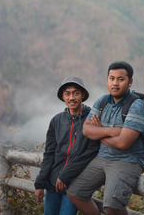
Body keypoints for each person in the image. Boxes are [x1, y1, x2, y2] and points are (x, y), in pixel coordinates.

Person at [67, 61, 144, 215]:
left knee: (112, 207)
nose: (115, 83)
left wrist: (99, 132)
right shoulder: (103, 101)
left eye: (121, 79)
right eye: (112, 78)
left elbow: (124, 143)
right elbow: (86, 129)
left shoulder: (136, 106)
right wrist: (112, 131)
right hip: (102, 157)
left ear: (130, 82)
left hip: (127, 160)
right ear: (107, 80)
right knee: (75, 193)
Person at [34, 76, 99, 215]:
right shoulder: (56, 121)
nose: (72, 97)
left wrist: (65, 175)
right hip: (53, 184)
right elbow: (49, 153)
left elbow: (90, 152)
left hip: (73, 183)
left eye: (76, 93)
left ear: (82, 95)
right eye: (67, 93)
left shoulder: (91, 119)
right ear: (62, 97)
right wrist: (40, 184)